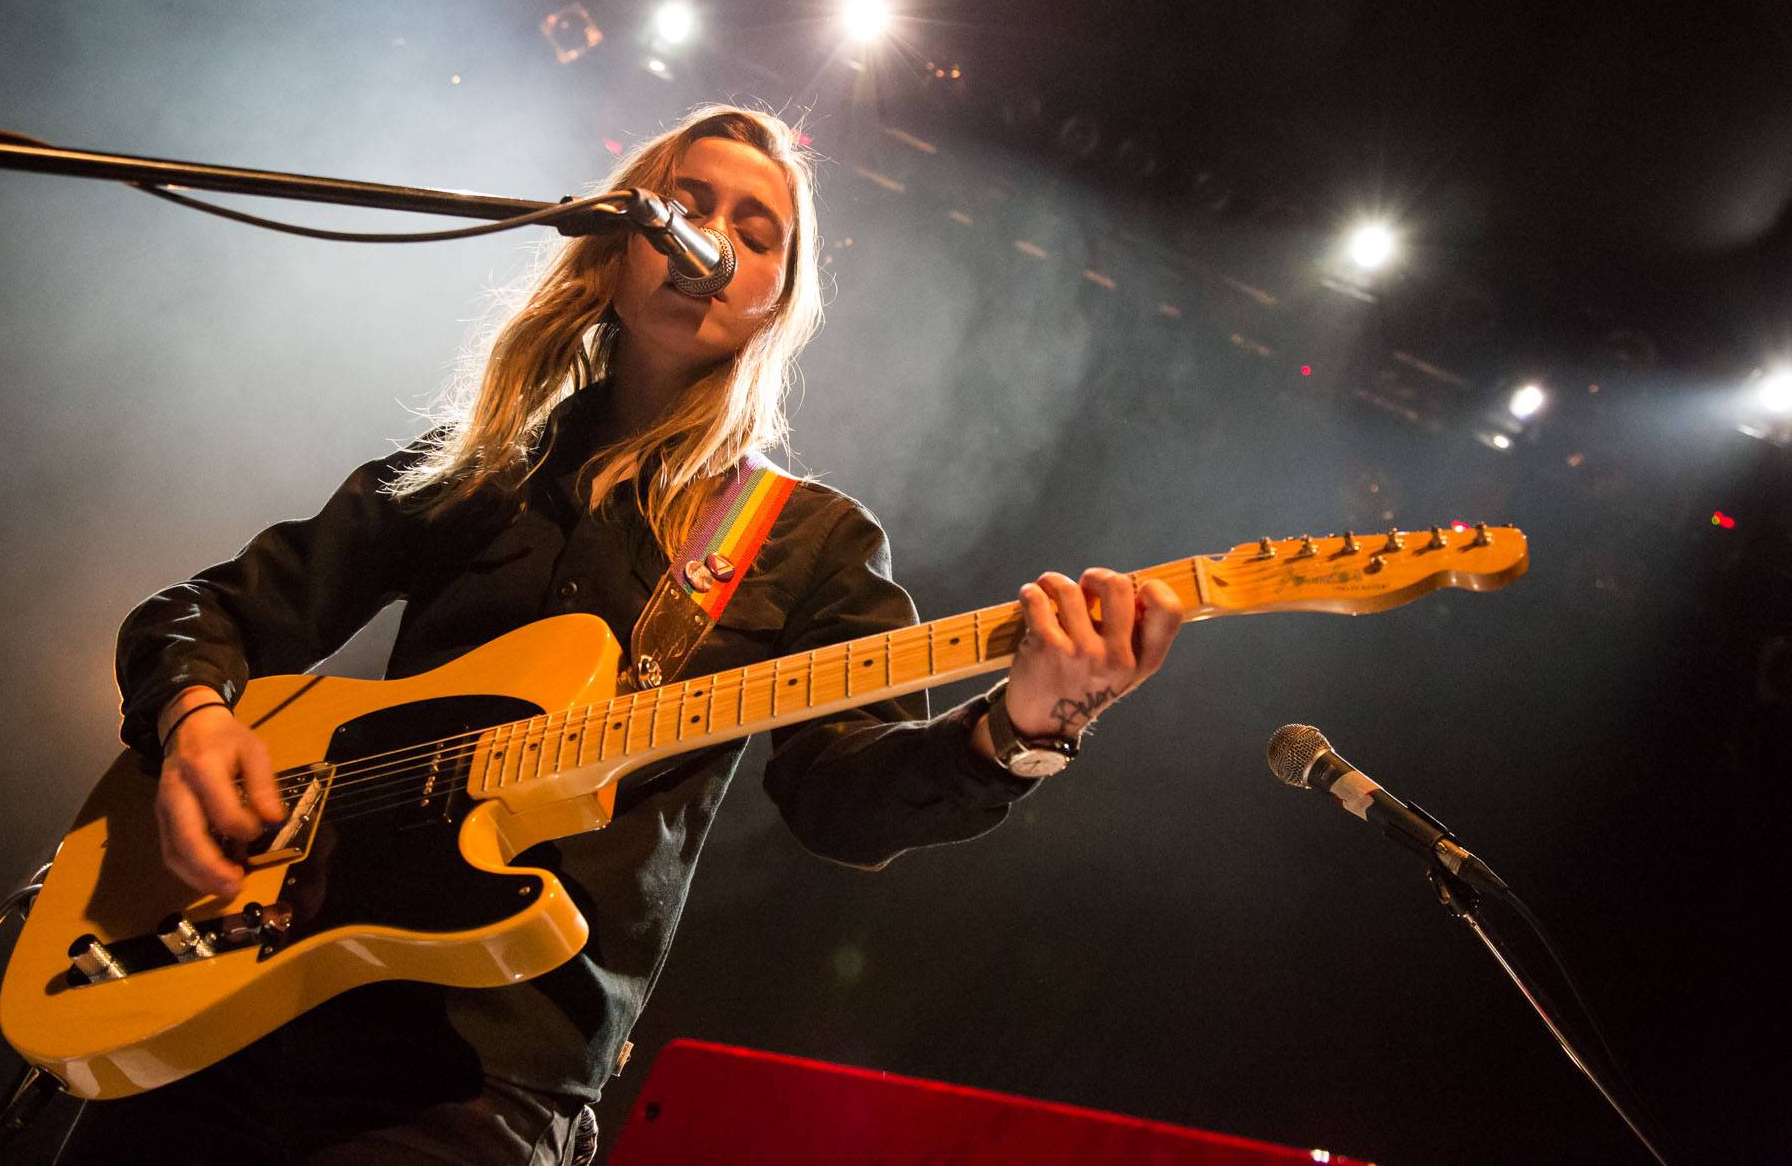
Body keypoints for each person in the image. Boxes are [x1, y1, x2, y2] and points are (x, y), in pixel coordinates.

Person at [64, 105, 1184, 1164]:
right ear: (612, 241)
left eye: (758, 232)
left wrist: (1026, 723)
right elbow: (203, 612)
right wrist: (196, 719)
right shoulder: (469, 470)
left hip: (475, 1081)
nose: (712, 238)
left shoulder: (807, 541)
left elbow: (840, 804)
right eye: (684, 203)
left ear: (773, 300)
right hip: (233, 999)